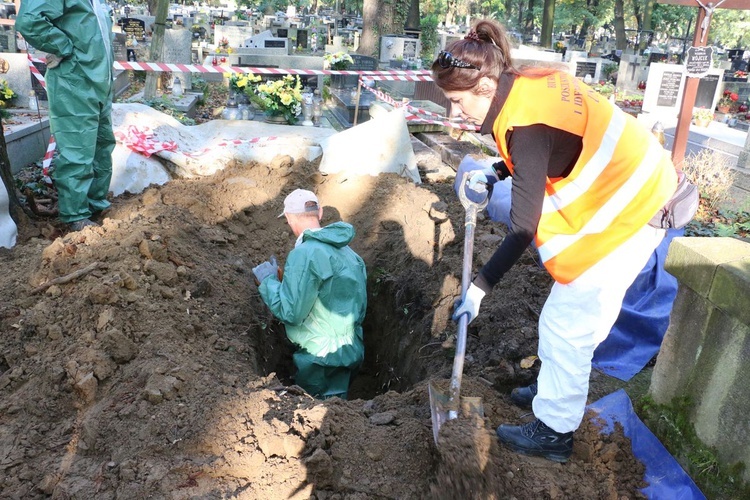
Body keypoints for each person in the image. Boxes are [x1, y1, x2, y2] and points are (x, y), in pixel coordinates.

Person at [435, 19, 678, 463]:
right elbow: (545, 148)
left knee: (567, 327)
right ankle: (553, 390)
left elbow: (524, 227)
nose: (454, 115)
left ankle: (554, 432)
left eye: (456, 102)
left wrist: (479, 288)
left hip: (639, 206)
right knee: (567, 318)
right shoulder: (522, 82)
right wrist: (496, 171)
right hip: (631, 187)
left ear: (485, 86)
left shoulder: (527, 124)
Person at [253, 189, 367, 400]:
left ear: (288, 218)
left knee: (316, 414)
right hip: (351, 349)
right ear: (320, 213)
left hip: (320, 359)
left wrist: (268, 282)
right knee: (340, 409)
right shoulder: (349, 253)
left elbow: (291, 312)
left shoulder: (304, 254)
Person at [16, 0, 116, 231]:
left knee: (102, 146)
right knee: (78, 149)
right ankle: (76, 215)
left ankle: (95, 205)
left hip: (100, 81)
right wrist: (62, 46)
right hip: (74, 81)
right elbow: (29, 20)